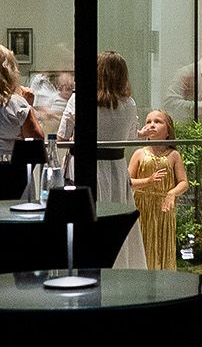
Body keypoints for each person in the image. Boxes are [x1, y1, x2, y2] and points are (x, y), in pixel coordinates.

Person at [67, 51, 145, 269]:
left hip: (83, 166)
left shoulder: (79, 99)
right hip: (116, 168)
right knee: (117, 220)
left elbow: (63, 136)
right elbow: (130, 139)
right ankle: (121, 266)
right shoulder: (129, 104)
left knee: (84, 217)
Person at [128, 109, 189, 269]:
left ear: (168, 131)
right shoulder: (139, 154)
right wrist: (147, 181)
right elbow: (128, 182)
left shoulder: (173, 155)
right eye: (148, 122)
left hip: (164, 208)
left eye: (157, 121)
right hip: (142, 207)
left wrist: (172, 193)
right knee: (143, 244)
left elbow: (183, 182)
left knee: (163, 246)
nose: (152, 125)